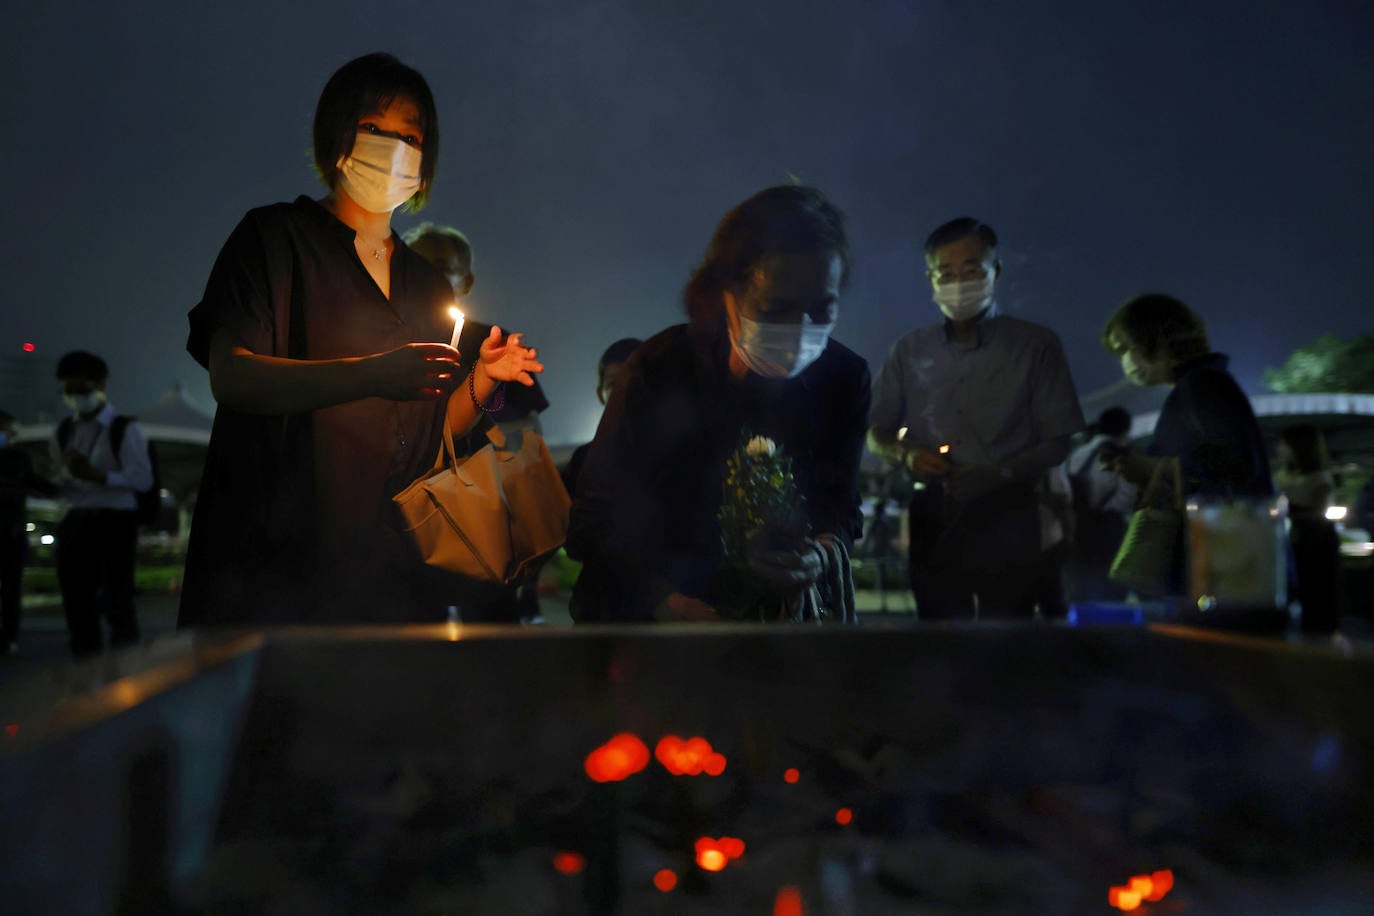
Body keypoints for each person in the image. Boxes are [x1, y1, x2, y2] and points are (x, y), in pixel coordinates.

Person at [178, 53, 543, 628]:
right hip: (274, 571)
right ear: (336, 134)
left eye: (411, 135)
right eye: (374, 128)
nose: (394, 148)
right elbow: (234, 377)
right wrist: (373, 373)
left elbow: (429, 434)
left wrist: (482, 382)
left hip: (388, 576)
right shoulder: (275, 240)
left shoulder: (421, 281)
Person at [568, 185, 869, 623]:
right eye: (776, 308)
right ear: (725, 293)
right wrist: (670, 604)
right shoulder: (659, 370)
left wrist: (819, 556)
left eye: (822, 309)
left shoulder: (844, 379)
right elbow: (592, 524)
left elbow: (840, 506)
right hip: (650, 636)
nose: (801, 329)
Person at [868, 218, 1084, 620]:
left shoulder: (1035, 345)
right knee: (940, 637)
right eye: (945, 273)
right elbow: (875, 431)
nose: (958, 283)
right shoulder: (909, 350)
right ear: (930, 279)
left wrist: (999, 473)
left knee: (1005, 643)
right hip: (934, 509)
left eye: (970, 271)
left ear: (995, 272)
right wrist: (908, 455)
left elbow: (1059, 440)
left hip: (1011, 514)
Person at [405, 221, 553, 623]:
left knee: (489, 647)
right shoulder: (383, 344)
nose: (426, 275)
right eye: (415, 264)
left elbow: (524, 438)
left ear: (465, 280)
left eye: (439, 265)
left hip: (481, 530)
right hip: (399, 532)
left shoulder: (494, 345)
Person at [1099, 292, 1275, 596]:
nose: (1126, 362)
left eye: (1127, 348)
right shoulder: (1200, 385)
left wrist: (1152, 468)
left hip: (1221, 568)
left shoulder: (1201, 386)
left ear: (1155, 339)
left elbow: (1232, 467)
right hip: (1218, 564)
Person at [49, 352, 154, 656]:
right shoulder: (62, 431)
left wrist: (99, 477)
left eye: (81, 390)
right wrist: (55, 481)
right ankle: (85, 677)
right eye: (69, 391)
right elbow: (61, 479)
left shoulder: (124, 430)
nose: (75, 398)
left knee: (117, 600)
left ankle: (126, 677)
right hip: (76, 517)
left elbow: (142, 479)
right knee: (77, 604)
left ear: (100, 386)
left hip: (115, 521)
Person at [0, 410, 58, 655]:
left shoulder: (18, 458)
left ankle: (8, 638)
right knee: (11, 589)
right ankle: (8, 638)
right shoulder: (20, 459)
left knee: (11, 589)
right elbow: (38, 486)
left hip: (10, 533)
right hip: (11, 533)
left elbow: (39, 486)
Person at [1065, 406, 1137, 601]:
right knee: (1111, 593)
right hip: (1109, 532)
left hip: (1079, 532)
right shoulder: (1122, 456)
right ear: (1125, 430)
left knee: (1083, 590)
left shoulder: (1078, 454)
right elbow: (1127, 496)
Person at [1275, 424, 1340, 632]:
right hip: (1294, 541)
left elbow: (1312, 511)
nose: (1280, 449)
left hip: (1315, 544)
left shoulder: (1320, 479)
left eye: (1285, 444)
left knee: (1316, 598)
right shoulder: (1281, 477)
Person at [560, 337, 642, 500]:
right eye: (614, 384)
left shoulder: (680, 453)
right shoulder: (584, 460)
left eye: (633, 382)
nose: (623, 392)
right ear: (600, 394)